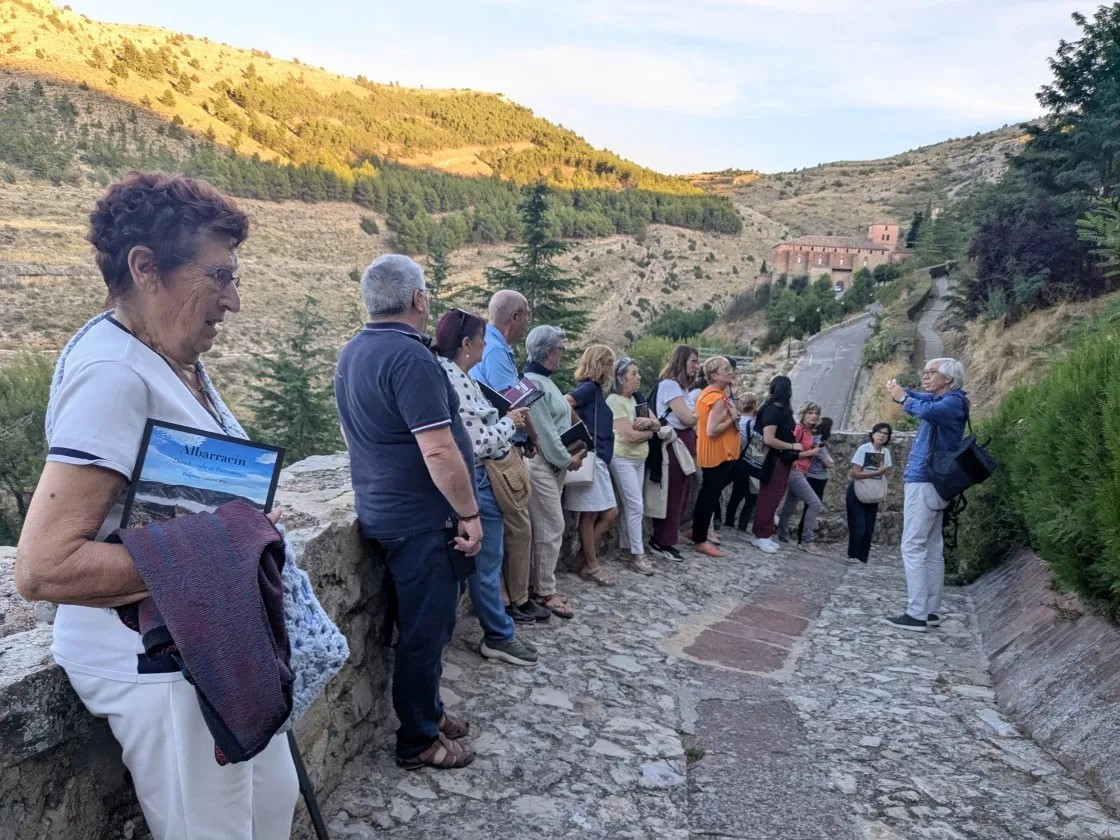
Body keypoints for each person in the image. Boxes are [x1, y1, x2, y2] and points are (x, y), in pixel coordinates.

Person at [14, 173, 301, 836]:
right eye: (220, 276)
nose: (233, 301)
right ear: (146, 268)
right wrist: (228, 545)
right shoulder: (113, 375)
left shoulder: (163, 358)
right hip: (154, 664)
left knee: (269, 809)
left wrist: (243, 527)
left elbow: (176, 511)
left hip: (205, 645)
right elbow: (42, 569)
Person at [336, 254, 481, 769]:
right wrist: (469, 512)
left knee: (427, 628)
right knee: (426, 633)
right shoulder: (412, 358)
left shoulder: (353, 352)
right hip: (422, 521)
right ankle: (418, 740)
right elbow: (439, 450)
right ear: (419, 299)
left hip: (383, 510)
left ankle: (431, 711)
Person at [435, 309, 539, 666]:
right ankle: (498, 635)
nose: (484, 344)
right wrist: (510, 423)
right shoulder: (456, 381)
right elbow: (475, 443)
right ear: (466, 343)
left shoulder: (454, 375)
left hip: (474, 477)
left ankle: (494, 630)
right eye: (481, 338)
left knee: (479, 563)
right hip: (479, 477)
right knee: (487, 562)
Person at [470, 290, 550, 623]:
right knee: (519, 526)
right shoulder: (497, 352)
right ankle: (514, 600)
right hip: (499, 450)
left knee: (508, 529)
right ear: (514, 318)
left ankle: (505, 599)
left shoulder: (488, 345)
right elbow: (513, 404)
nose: (527, 321)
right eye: (526, 315)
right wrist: (532, 436)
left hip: (492, 444)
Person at [884, 359, 969, 632]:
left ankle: (917, 613)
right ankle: (931, 611)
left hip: (924, 480)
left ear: (949, 379)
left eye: (932, 373)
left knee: (913, 546)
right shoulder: (946, 401)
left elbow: (924, 409)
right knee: (932, 547)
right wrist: (902, 392)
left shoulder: (951, 403)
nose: (926, 377)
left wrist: (903, 400)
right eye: (925, 372)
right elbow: (921, 398)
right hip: (934, 483)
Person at [523, 325, 586, 619]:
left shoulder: (543, 382)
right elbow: (546, 433)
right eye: (560, 349)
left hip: (552, 464)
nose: (562, 354)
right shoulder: (534, 384)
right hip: (542, 465)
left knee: (547, 526)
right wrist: (567, 459)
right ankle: (544, 591)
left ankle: (541, 586)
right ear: (549, 352)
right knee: (551, 526)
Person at [565, 345, 621, 586]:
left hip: (599, 459)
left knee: (608, 512)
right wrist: (583, 429)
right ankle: (591, 565)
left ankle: (582, 559)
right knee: (591, 516)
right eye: (609, 364)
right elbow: (563, 403)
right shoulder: (588, 389)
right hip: (592, 457)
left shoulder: (593, 390)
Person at [606, 356, 660, 575]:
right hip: (623, 458)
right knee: (635, 504)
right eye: (633, 374)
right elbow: (629, 435)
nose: (638, 378)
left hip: (639, 458)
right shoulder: (614, 401)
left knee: (633, 505)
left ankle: (626, 548)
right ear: (620, 378)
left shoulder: (637, 399)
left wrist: (648, 424)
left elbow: (658, 423)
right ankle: (638, 555)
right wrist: (650, 431)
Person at [648, 344, 700, 561]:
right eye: (693, 362)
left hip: (684, 442)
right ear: (681, 362)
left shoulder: (683, 389)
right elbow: (688, 418)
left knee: (683, 491)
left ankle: (667, 539)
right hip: (674, 443)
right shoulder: (670, 385)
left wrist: (693, 415)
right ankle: (662, 540)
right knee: (674, 492)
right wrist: (694, 415)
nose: (696, 367)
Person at [687, 357, 741, 558]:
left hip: (712, 453)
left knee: (705, 495)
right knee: (709, 497)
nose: (730, 372)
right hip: (717, 454)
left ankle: (697, 532)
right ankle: (700, 539)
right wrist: (732, 419)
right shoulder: (717, 399)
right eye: (725, 369)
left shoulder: (709, 394)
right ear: (714, 375)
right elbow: (712, 430)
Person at [751, 375, 803, 555]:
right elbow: (769, 439)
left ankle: (764, 533)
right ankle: (760, 535)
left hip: (783, 460)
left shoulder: (781, 410)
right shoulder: (773, 411)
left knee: (775, 497)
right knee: (768, 497)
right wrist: (792, 447)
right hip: (773, 460)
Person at [776, 402, 825, 555]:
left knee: (790, 504)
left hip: (802, 471)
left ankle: (782, 536)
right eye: (810, 412)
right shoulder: (798, 429)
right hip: (795, 471)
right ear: (803, 414)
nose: (814, 416)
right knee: (815, 503)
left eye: (816, 413)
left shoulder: (809, 432)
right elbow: (789, 450)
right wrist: (810, 453)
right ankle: (807, 540)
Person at [846, 423, 893, 565]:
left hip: (873, 494)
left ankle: (862, 559)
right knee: (858, 526)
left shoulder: (886, 453)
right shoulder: (864, 449)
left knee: (868, 529)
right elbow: (856, 473)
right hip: (858, 491)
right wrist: (876, 472)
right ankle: (852, 555)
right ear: (873, 434)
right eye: (879, 432)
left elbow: (887, 473)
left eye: (885, 433)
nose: (882, 435)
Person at [724, 391, 759, 531]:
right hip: (747, 463)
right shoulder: (753, 423)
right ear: (754, 405)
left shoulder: (737, 420)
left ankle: (728, 522)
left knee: (734, 496)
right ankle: (742, 527)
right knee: (750, 498)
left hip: (734, 461)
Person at [797, 416, 834, 543]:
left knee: (805, 506)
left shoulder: (811, 438)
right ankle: (805, 538)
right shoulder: (819, 443)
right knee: (813, 505)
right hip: (817, 477)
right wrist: (830, 461)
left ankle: (801, 536)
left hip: (808, 474)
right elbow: (828, 463)